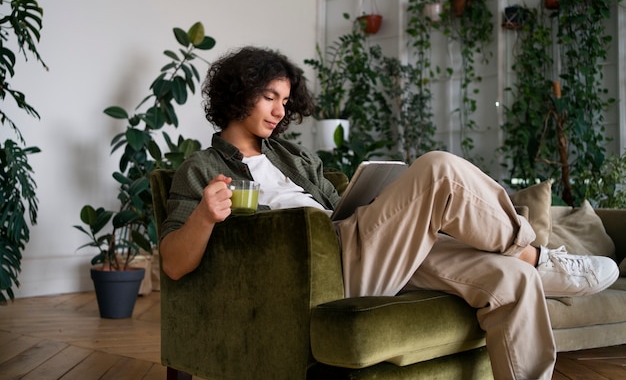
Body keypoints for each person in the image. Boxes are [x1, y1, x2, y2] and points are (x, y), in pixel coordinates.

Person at [159, 46, 619, 380]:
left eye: (285, 99)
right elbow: (173, 263)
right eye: (270, 98)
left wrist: (373, 204)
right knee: (439, 170)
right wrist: (203, 216)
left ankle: (525, 267)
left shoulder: (293, 157)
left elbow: (337, 211)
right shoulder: (201, 168)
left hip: (357, 247)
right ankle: (536, 256)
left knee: (509, 282)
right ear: (239, 95)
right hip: (321, 270)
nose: (281, 110)